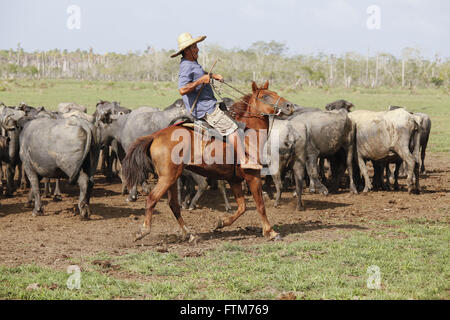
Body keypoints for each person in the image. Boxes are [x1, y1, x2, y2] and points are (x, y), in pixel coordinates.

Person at [171, 32, 262, 170]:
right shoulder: (186, 66)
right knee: (233, 129)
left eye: (196, 46)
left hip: (208, 104)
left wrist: (212, 75)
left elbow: (199, 75)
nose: (197, 49)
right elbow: (182, 89)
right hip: (205, 108)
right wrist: (201, 80)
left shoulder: (192, 62)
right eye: (194, 47)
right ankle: (244, 160)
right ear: (187, 50)